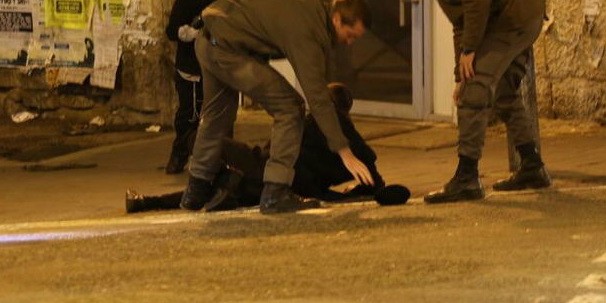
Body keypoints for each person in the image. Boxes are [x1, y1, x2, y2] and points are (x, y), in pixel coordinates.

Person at [386, 0, 549, 202]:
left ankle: (467, 177)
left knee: (475, 92)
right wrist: (458, 75)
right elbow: (460, 24)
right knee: (503, 94)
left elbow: (477, 3)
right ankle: (532, 166)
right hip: (516, 18)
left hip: (511, 20)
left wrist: (470, 54)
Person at [180, 0, 375, 215]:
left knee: (216, 116)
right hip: (226, 48)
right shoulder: (307, 32)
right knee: (290, 108)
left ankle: (195, 192)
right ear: (336, 19)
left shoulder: (309, 0)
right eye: (350, 35)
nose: (349, 42)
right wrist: (345, 152)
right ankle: (276, 191)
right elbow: (318, 98)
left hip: (207, 36)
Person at [126, 83, 410, 213]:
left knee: (217, 161)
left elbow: (274, 149)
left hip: (267, 169)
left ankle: (148, 200)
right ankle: (147, 201)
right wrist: (371, 188)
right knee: (224, 184)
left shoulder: (322, 121)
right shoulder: (343, 143)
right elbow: (370, 163)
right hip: (281, 182)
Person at [163, 0, 237, 172]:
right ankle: (180, 155)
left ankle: (225, 159)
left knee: (224, 116)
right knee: (189, 116)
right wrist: (192, 33)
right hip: (192, 70)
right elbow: (172, 30)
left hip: (222, 67)